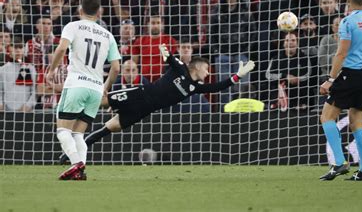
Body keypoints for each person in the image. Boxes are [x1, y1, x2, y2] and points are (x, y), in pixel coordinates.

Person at [60, 45, 255, 162]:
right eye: (206, 69)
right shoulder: (181, 69)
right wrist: (165, 52)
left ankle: (70, 156)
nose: (208, 72)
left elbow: (217, 87)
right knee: (100, 102)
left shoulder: (194, 87)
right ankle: (72, 110)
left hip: (144, 110)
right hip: (138, 95)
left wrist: (237, 76)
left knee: (108, 128)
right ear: (197, 66)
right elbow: (170, 58)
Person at [47, 0, 121, 180]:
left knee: (63, 131)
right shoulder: (108, 35)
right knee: (78, 133)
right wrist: (105, 86)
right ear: (99, 12)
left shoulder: (72, 26)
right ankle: (80, 172)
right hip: (96, 88)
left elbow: (61, 48)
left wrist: (51, 70)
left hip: (76, 84)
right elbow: (117, 67)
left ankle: (76, 163)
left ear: (80, 10)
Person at [319, 0, 362, 181]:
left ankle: (339, 162)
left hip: (349, 75)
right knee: (357, 123)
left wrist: (330, 79)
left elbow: (342, 52)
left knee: (327, 117)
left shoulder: (348, 22)